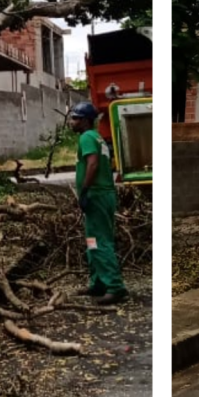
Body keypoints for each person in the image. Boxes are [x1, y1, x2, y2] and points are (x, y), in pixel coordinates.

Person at [69, 101, 127, 305]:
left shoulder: (86, 137)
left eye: (75, 118)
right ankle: (98, 283)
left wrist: (84, 191)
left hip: (97, 196)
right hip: (101, 196)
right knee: (92, 240)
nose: (72, 122)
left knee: (100, 241)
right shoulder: (96, 137)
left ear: (85, 121)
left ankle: (114, 286)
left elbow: (92, 164)